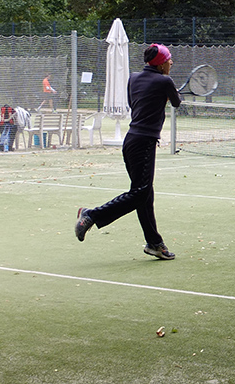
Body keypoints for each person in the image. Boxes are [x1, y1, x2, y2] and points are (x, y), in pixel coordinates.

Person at [74, 44, 181, 260]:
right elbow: (177, 103)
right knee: (141, 193)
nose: (171, 62)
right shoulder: (165, 81)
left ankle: (154, 243)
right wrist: (166, 96)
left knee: (144, 194)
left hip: (131, 141)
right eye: (169, 59)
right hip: (144, 143)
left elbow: (136, 104)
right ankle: (91, 215)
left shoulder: (133, 78)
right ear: (160, 64)